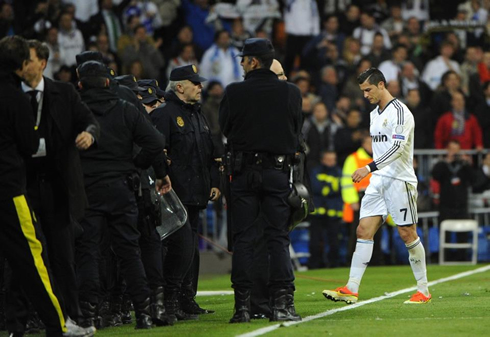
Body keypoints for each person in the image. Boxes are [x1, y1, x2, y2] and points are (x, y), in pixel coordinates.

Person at [0, 35, 92, 337]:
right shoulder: (13, 96)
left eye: (31, 59)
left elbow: (87, 120)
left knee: (60, 257)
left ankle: (69, 315)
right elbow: (27, 143)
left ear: (42, 62)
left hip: (55, 188)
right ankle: (39, 323)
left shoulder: (63, 93)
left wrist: (90, 134)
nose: (27, 66)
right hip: (18, 187)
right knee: (25, 258)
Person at [323, 68, 431, 305]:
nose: (365, 95)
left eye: (368, 90)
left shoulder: (401, 112)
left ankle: (423, 290)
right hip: (379, 182)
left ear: (381, 85)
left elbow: (398, 148)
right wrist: (374, 173)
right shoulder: (374, 114)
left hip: (399, 181)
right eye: (362, 91)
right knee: (363, 230)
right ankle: (351, 288)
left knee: (407, 233)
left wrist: (369, 168)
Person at [76, 60, 168, 329]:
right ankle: (143, 313)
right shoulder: (126, 109)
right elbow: (156, 141)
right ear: (108, 82)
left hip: (87, 190)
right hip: (121, 188)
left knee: (89, 252)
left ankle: (88, 314)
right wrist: (136, 166)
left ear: (80, 84)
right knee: (129, 251)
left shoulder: (75, 112)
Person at [219, 38, 303, 323]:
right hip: (277, 173)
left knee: (243, 240)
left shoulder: (234, 92)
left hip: (243, 174)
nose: (241, 63)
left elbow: (225, 127)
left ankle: (242, 307)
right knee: (278, 238)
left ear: (254, 62)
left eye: (244, 58)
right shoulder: (290, 93)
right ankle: (281, 304)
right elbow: (296, 129)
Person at [151, 64, 220, 321]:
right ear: (180, 86)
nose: (200, 86)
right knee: (179, 249)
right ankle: (169, 301)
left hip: (195, 193)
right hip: (174, 197)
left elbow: (209, 152)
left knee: (190, 250)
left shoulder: (197, 113)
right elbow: (159, 153)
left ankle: (187, 299)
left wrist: (214, 181)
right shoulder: (164, 114)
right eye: (195, 83)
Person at [308, 151, 343, 269]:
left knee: (334, 240)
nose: (331, 162)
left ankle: (334, 264)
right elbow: (315, 187)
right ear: (322, 160)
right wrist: (330, 187)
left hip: (333, 212)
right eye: (328, 159)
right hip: (318, 212)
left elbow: (340, 187)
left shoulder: (338, 171)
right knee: (315, 240)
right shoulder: (315, 171)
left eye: (333, 159)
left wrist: (326, 188)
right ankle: (315, 264)